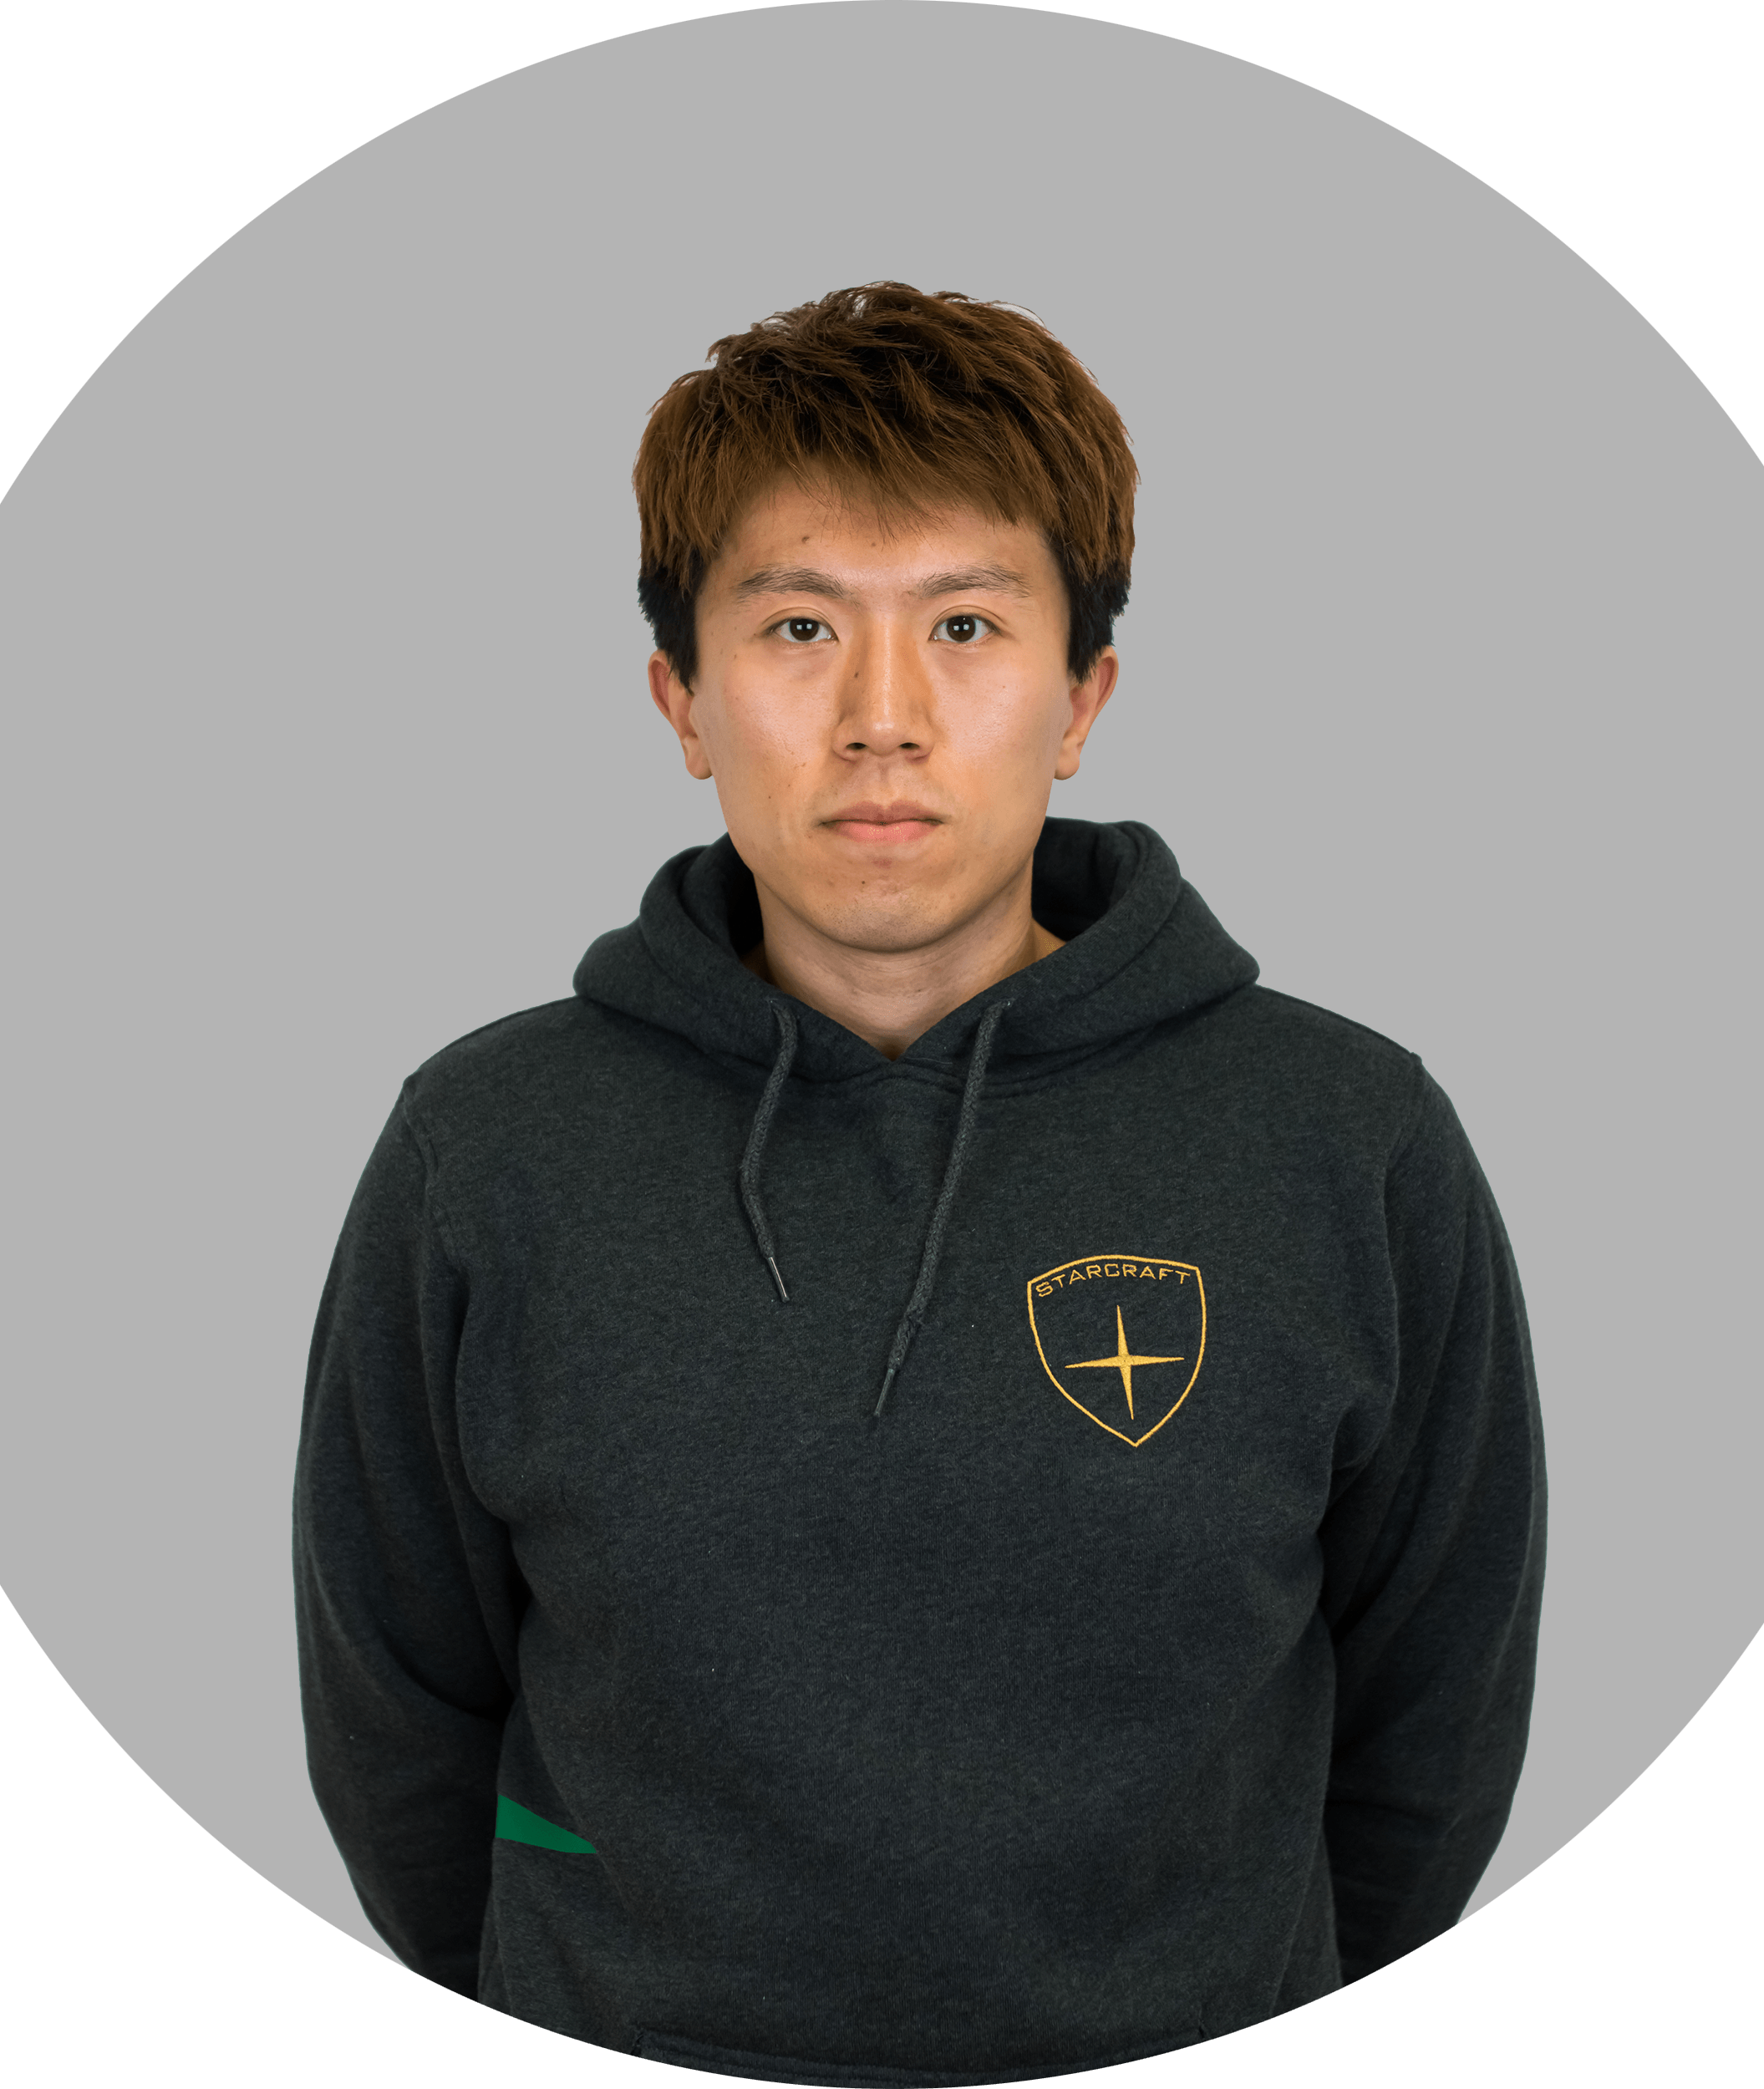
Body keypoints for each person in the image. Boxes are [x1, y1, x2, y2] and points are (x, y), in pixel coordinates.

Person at [292, 282, 1546, 2080]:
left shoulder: (1352, 1138)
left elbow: (1434, 1720)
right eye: (799, 626)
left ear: (1080, 695)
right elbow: (397, 1715)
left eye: (964, 623)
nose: (881, 716)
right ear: (681, 698)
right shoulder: (482, 1147)